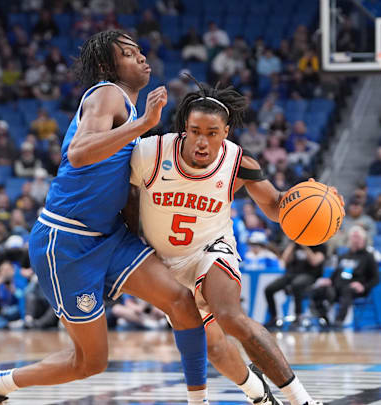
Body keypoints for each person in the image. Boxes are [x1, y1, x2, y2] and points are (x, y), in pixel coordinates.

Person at [0, 31, 209, 405]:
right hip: (66, 242)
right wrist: (144, 124)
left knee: (181, 302)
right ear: (106, 67)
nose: (142, 58)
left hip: (110, 236)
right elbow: (79, 154)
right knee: (90, 362)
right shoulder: (106, 93)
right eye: (128, 54)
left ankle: (199, 401)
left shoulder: (130, 115)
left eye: (140, 51)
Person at [129, 78, 328, 405]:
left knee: (231, 316)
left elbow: (276, 206)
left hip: (211, 248)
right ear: (184, 129)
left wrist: (303, 206)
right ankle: (258, 394)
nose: (202, 141)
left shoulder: (239, 163)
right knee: (216, 349)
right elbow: (120, 194)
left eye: (211, 133)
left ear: (226, 133)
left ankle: (301, 400)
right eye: (195, 131)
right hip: (165, 264)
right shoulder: (151, 152)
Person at [309, 226, 379, 328]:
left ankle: (339, 321)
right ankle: (324, 319)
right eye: (353, 237)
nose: (355, 240)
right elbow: (336, 273)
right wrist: (328, 280)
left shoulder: (368, 257)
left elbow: (376, 278)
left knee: (347, 290)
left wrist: (364, 286)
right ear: (349, 239)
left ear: (363, 240)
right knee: (319, 290)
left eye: (358, 237)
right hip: (337, 287)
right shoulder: (344, 255)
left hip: (354, 288)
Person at [264, 241, 326, 330]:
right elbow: (284, 261)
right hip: (292, 275)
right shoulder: (295, 245)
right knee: (269, 289)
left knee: (297, 285)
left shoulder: (320, 245)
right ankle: (273, 318)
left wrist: (304, 247)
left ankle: (298, 316)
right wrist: (292, 245)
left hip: (310, 276)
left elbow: (314, 261)